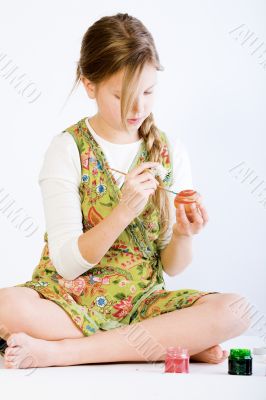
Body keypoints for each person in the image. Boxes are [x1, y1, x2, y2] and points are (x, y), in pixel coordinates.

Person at [0, 13, 250, 369]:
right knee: (6, 306)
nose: (138, 108)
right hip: (69, 302)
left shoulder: (168, 150)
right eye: (122, 95)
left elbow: (173, 267)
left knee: (237, 309)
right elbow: (67, 264)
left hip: (142, 303)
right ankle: (167, 342)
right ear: (89, 84)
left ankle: (62, 353)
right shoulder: (67, 148)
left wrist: (183, 234)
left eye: (148, 92)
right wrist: (122, 212)